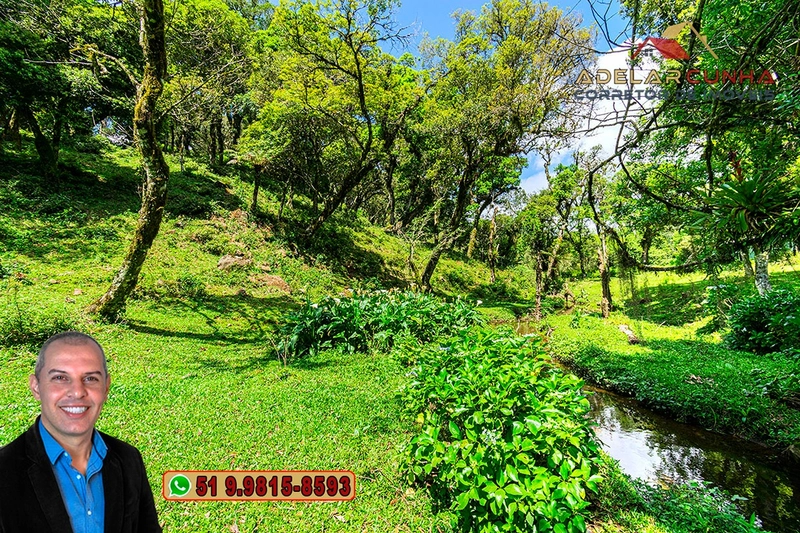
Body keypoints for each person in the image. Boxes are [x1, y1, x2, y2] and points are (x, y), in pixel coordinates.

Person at [0, 331, 162, 533]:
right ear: (36, 387)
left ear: (106, 387)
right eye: (60, 377)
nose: (77, 392)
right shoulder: (4, 471)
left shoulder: (129, 459)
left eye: (91, 378)